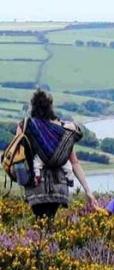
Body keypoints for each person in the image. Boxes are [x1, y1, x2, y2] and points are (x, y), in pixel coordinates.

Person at [19, 89, 96, 219]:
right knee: (50, 220)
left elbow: (19, 156)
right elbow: (75, 163)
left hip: (35, 185)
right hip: (59, 185)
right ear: (50, 106)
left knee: (40, 221)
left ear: (33, 106)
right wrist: (88, 190)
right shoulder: (63, 129)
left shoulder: (26, 126)